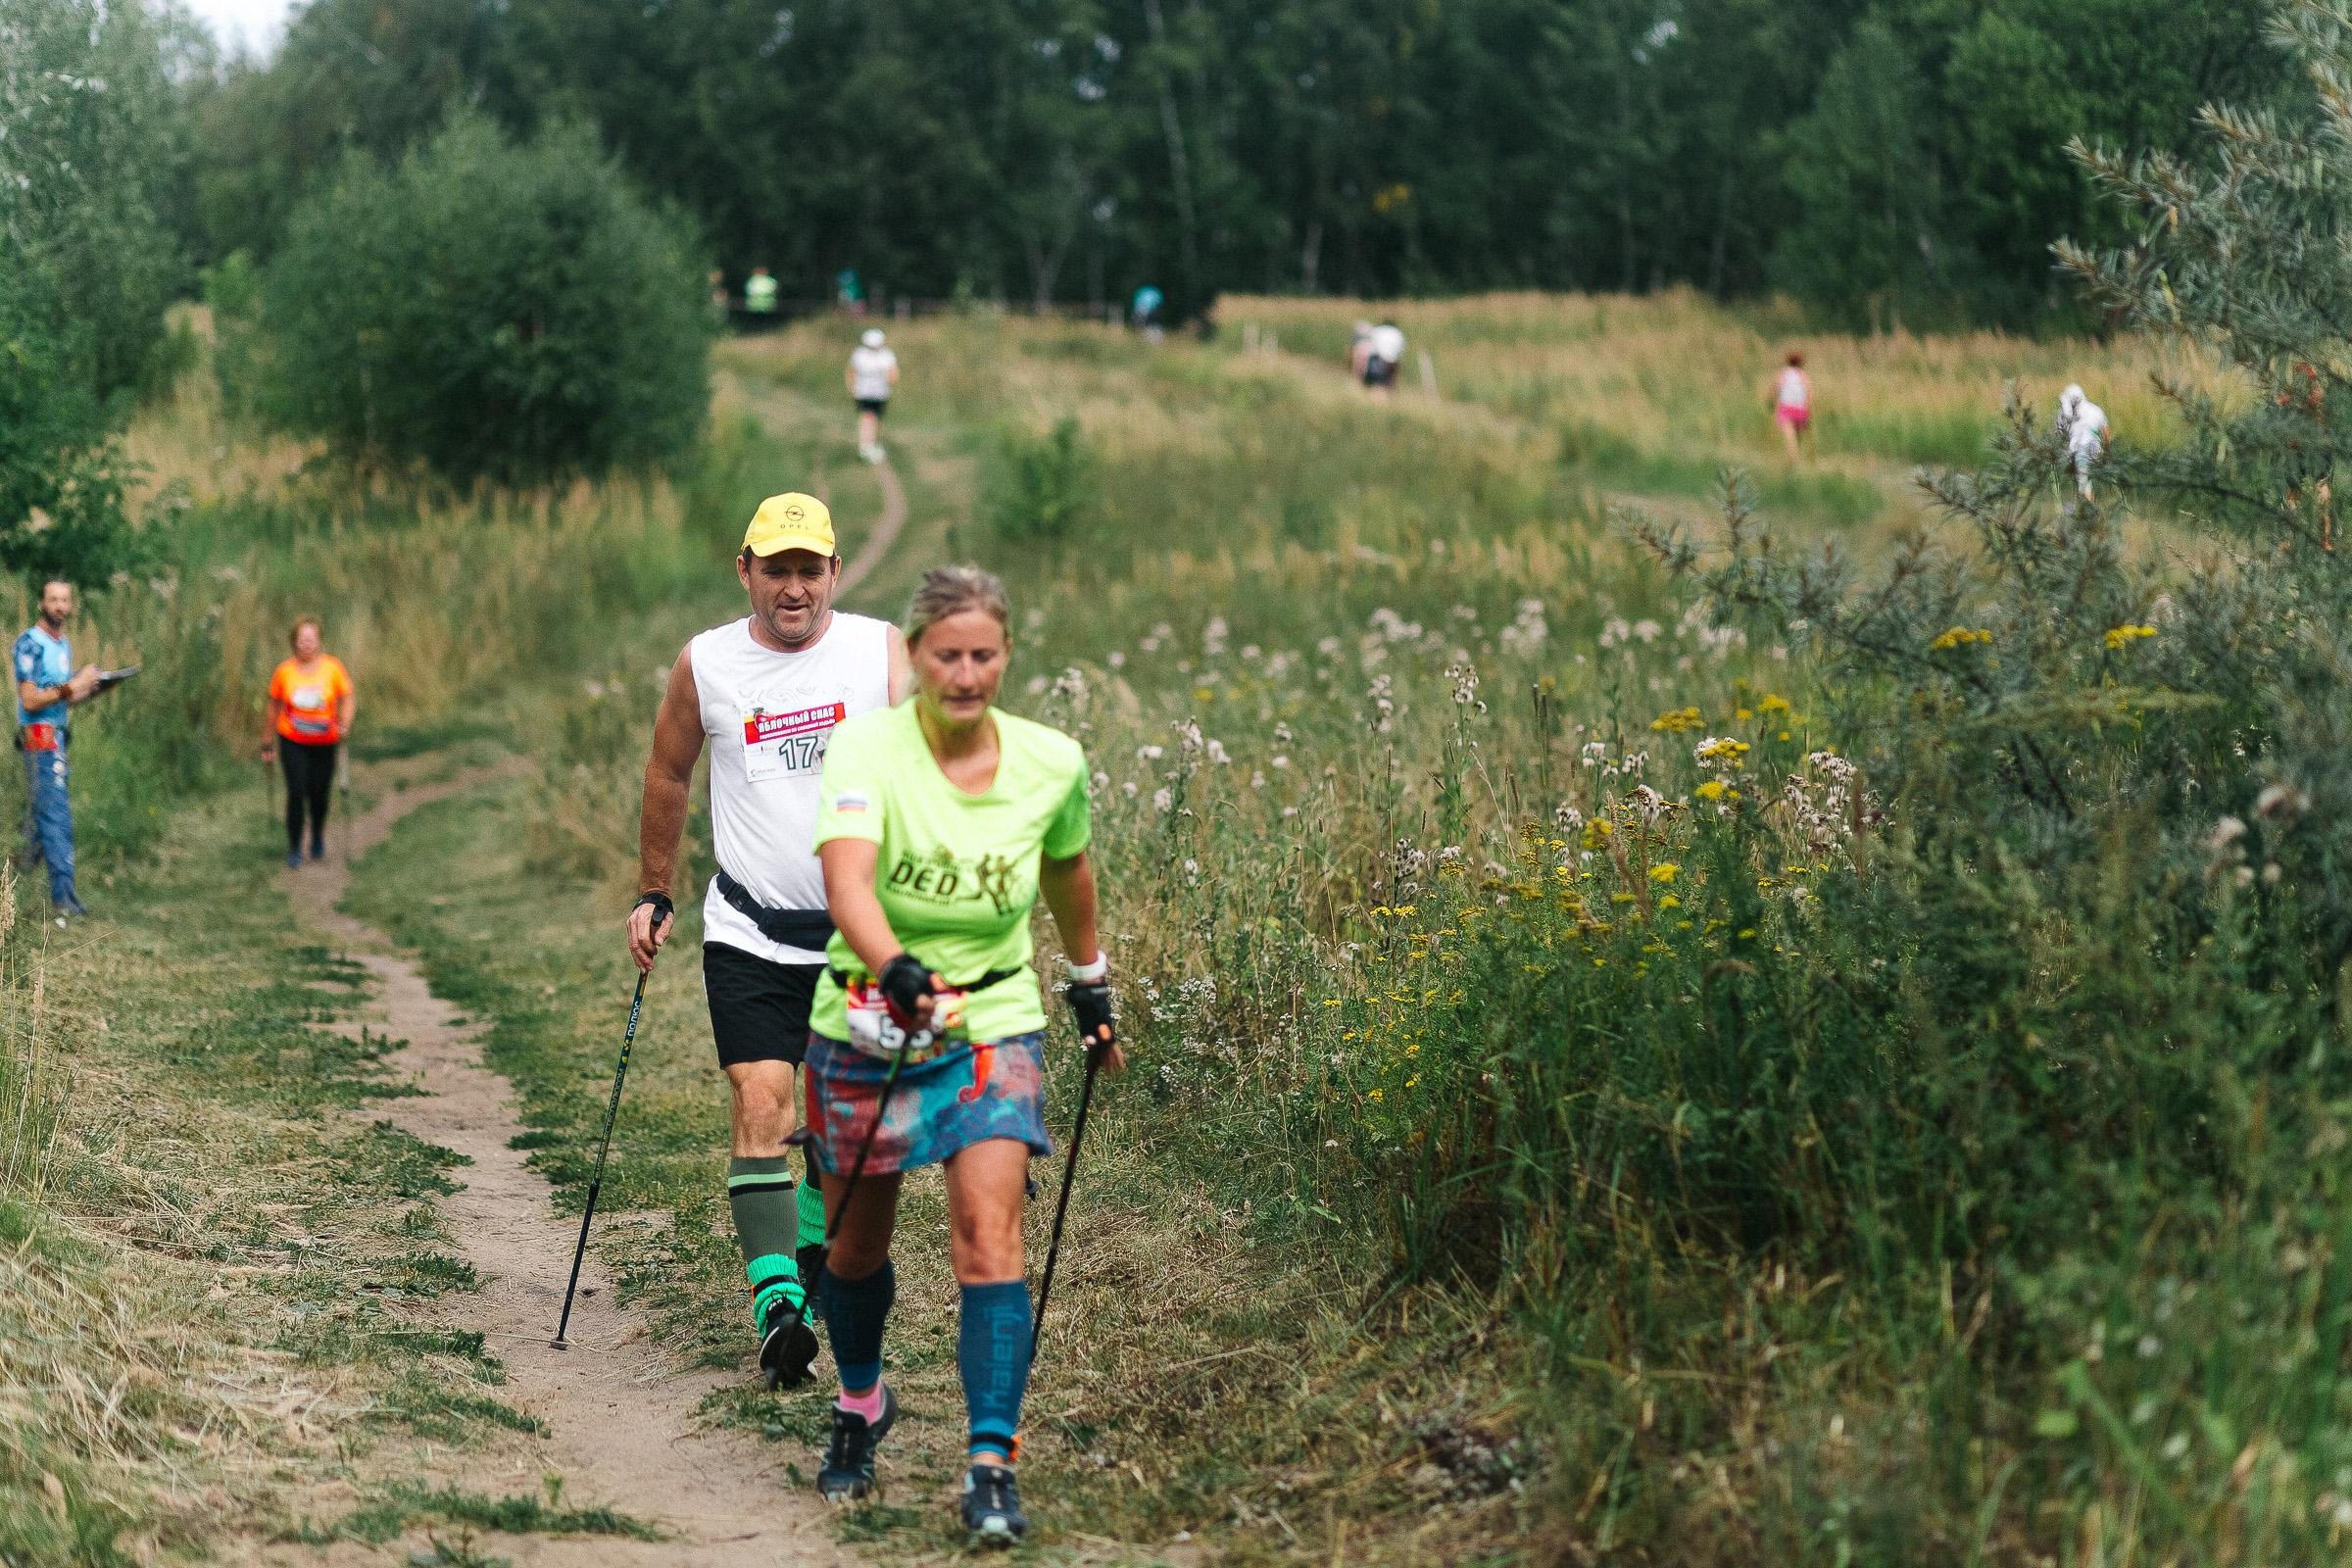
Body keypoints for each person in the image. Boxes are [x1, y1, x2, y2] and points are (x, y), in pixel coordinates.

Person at [804, 564, 1120, 1546]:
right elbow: (847, 879)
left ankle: (991, 1461)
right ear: (915, 655)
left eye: (984, 654)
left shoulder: (1050, 761)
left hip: (991, 1020)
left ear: (1007, 655)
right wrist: (895, 964)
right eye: (948, 654)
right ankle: (861, 1400)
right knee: (855, 1249)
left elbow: (1067, 869)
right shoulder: (866, 749)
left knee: (991, 1237)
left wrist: (1091, 979)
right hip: (870, 1016)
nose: (967, 673)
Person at [629, 491, 912, 1394]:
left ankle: (814, 1248)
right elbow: (671, 772)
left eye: (809, 570)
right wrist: (653, 890)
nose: (794, 589)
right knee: (762, 1104)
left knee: (842, 1135)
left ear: (834, 571)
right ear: (745, 569)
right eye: (776, 569)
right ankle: (778, 1304)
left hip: (857, 939)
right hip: (747, 927)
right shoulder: (707, 664)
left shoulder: (878, 652)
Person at [13, 580, 112, 921]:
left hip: (57, 735)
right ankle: (64, 898)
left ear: (71, 606)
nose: (59, 605)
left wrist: (92, 688)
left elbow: (63, 696)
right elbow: (30, 699)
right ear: (42, 602)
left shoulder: (63, 643)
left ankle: (11, 887)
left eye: (65, 600)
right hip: (38, 736)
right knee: (55, 816)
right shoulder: (30, 643)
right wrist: (73, 685)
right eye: (53, 599)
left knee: (38, 822)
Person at [263, 617, 355, 868]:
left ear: (319, 642)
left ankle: (316, 834)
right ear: (294, 643)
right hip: (292, 739)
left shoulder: (333, 669)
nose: (306, 645)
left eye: (311, 640)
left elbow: (346, 697)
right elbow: (273, 706)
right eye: (302, 640)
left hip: (325, 741)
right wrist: (267, 741)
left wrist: (344, 722)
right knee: (296, 791)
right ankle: (294, 847)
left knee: (319, 792)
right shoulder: (284, 672)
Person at [846, 328, 900, 466]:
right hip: (864, 393)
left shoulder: (887, 355)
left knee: (877, 419)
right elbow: (851, 372)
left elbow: (893, 375)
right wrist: (852, 388)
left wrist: (889, 376)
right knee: (867, 417)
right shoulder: (859, 355)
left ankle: (873, 443)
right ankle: (866, 446)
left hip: (880, 393)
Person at [2060, 383, 2111, 504]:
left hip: (2079, 454)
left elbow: (2063, 436)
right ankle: (2078, 507)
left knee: (2083, 482)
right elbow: (2106, 433)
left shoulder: (2068, 415)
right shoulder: (2096, 410)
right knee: (2080, 478)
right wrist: (2107, 451)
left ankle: (2089, 509)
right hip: (2095, 450)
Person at [1773, 351, 1812, 464]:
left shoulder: (1783, 374)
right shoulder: (1802, 375)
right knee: (1797, 436)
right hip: (1801, 410)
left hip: (1786, 408)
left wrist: (1773, 401)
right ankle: (1796, 459)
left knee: (1790, 438)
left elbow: (1776, 388)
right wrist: (1808, 411)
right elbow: (1809, 392)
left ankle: (1793, 462)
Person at [1363, 319, 1405, 400]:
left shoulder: (1377, 330)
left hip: (1377, 358)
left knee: (1376, 384)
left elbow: (1369, 344)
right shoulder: (1397, 332)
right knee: (1388, 383)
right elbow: (1401, 349)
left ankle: (1377, 400)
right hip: (1392, 361)